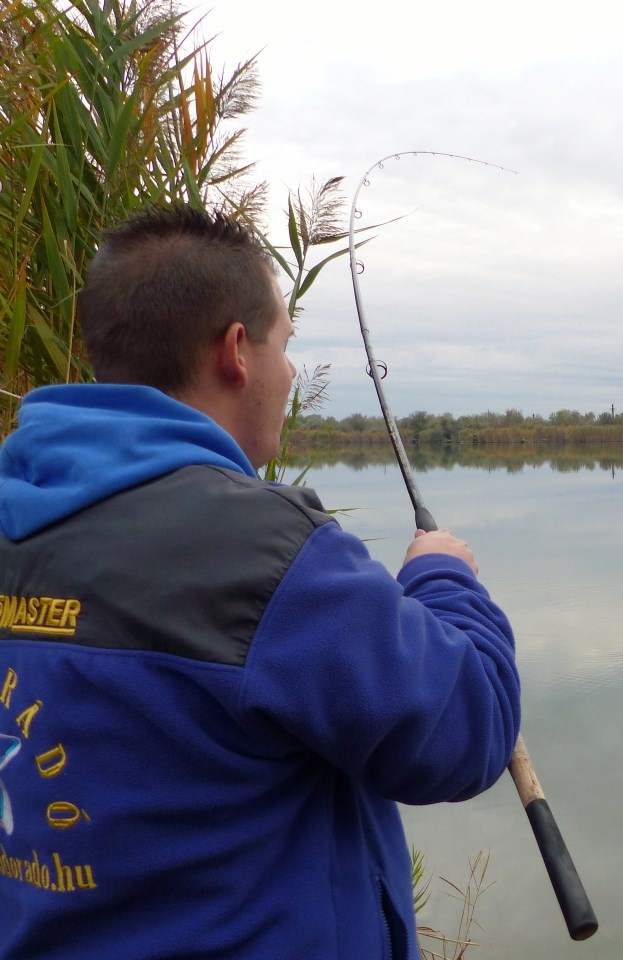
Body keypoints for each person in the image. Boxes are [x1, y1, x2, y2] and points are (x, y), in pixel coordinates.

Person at [0, 206, 521, 959]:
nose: (289, 372)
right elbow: (467, 728)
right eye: (286, 344)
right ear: (237, 352)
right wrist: (443, 577)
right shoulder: (269, 559)